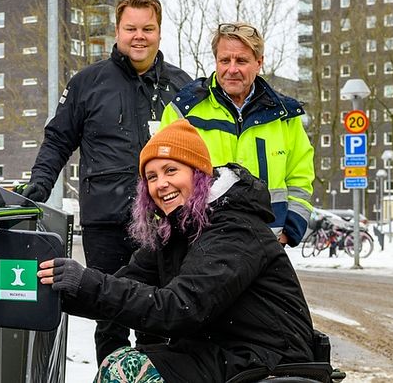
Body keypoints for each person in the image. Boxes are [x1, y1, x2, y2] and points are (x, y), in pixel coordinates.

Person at [37, 120, 316, 382]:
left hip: (269, 359)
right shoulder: (176, 230)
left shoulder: (234, 227)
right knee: (119, 363)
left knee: (128, 370)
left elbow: (181, 308)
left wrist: (87, 282)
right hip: (218, 350)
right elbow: (128, 283)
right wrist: (57, 288)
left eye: (171, 170)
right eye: (151, 176)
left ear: (199, 174)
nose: (161, 184)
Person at [17, 0, 192, 362]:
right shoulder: (88, 83)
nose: (139, 36)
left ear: (159, 31)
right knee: (108, 312)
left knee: (158, 313)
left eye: (148, 28)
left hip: (165, 222)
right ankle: (111, 372)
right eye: (131, 28)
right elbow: (58, 139)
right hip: (106, 223)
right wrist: (41, 182)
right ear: (117, 31)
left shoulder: (182, 86)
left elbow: (200, 151)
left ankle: (152, 374)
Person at [160, 22, 314, 247]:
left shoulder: (285, 116)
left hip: (267, 242)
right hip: (202, 242)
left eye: (241, 61)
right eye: (225, 60)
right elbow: (161, 175)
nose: (232, 69)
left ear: (259, 63)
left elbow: (300, 178)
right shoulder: (183, 111)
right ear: (216, 61)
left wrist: (290, 231)